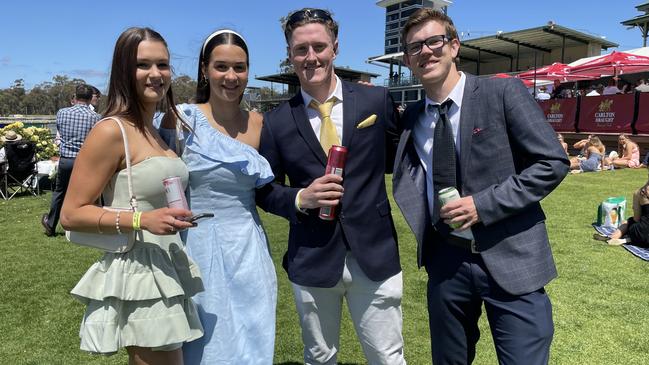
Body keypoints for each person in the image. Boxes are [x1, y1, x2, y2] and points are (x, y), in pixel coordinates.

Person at [393, 9, 569, 364]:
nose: (425, 51)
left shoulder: (501, 91)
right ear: (408, 61)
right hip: (446, 262)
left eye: (434, 41)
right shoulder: (412, 118)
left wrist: (483, 205)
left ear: (454, 46)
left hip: (512, 258)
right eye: (415, 48)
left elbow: (552, 162)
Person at [256, 8, 405, 364]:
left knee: (387, 356)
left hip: (374, 252)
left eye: (319, 47)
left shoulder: (375, 101)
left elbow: (401, 158)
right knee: (319, 357)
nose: (311, 57)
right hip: (312, 255)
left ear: (335, 48)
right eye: (301, 49)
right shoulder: (275, 122)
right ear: (290, 55)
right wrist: (300, 197)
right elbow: (265, 190)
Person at [60, 27, 203, 364]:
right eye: (143, 65)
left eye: (163, 64)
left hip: (168, 264)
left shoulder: (156, 129)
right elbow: (71, 213)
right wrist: (143, 219)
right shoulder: (111, 130)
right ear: (124, 70)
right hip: (140, 272)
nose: (156, 74)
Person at [158, 29, 277, 365]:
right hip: (196, 245)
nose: (231, 76)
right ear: (204, 69)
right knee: (204, 342)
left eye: (239, 68)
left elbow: (272, 189)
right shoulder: (181, 118)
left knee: (253, 335)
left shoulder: (259, 124)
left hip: (249, 249)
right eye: (221, 67)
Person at [41, 84, 100, 237]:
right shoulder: (95, 117)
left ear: (75, 96)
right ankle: (85, 225)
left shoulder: (62, 112)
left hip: (66, 159)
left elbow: (60, 131)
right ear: (89, 98)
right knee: (86, 194)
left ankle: (51, 223)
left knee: (60, 192)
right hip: (84, 161)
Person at [596, 166, 649, 246]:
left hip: (641, 233)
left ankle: (614, 237)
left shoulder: (639, 192)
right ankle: (627, 239)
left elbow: (636, 218)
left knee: (629, 221)